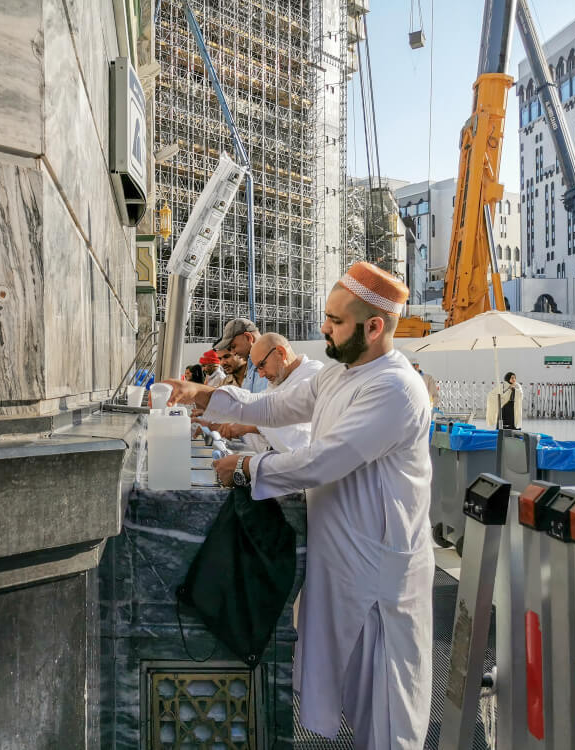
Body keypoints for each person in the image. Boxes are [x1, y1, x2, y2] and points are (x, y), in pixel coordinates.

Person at [163, 261, 434, 749]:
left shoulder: (395, 388)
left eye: (334, 320)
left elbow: (324, 461)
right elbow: (272, 407)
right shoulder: (338, 375)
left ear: (374, 328)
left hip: (379, 573)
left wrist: (247, 469)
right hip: (345, 563)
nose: (323, 327)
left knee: (387, 714)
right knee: (353, 694)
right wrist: (200, 393)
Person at [212, 333, 322, 455]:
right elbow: (258, 403)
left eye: (262, 365)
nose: (261, 375)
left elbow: (292, 423)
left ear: (281, 353)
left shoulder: (313, 374)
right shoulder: (279, 379)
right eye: (257, 369)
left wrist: (247, 426)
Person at [213, 318, 267, 393]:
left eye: (233, 346)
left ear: (249, 338)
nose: (233, 352)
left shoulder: (272, 362)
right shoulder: (251, 366)